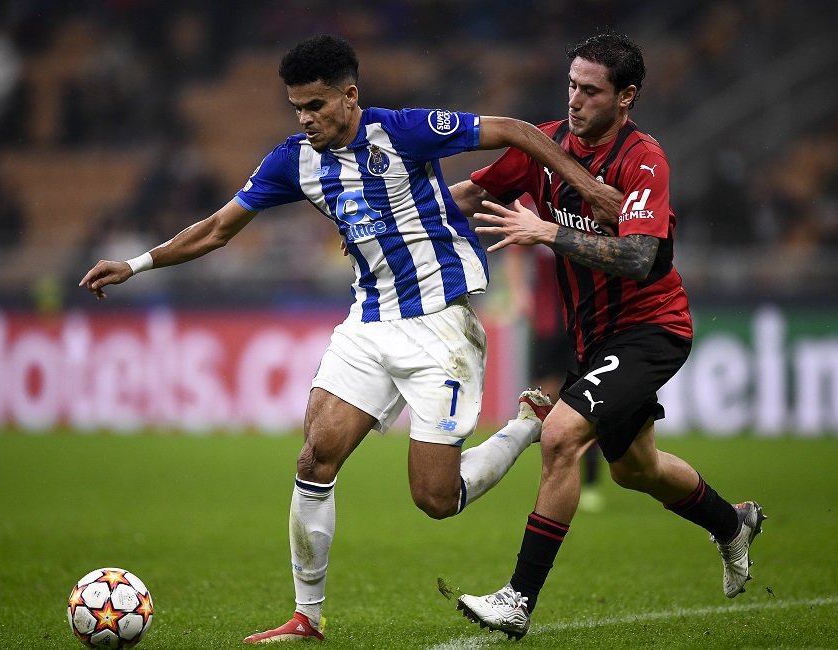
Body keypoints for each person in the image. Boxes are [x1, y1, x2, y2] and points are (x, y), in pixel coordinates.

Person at [79, 34, 621, 644]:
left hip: (440, 323)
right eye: (296, 109)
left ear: (349, 97)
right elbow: (218, 230)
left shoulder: (404, 131)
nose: (305, 119)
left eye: (315, 106)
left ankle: (524, 424)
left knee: (435, 500)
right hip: (368, 320)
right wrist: (137, 264)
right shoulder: (294, 160)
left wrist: (592, 187)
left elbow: (517, 130)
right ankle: (306, 618)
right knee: (315, 456)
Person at [447, 31, 766, 640]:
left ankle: (518, 598)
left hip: (652, 328)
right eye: (571, 85)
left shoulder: (645, 159)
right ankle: (733, 523)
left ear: (626, 98)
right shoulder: (546, 145)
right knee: (635, 470)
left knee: (561, 436)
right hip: (595, 338)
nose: (574, 100)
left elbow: (642, 257)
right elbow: (469, 193)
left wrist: (549, 234)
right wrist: (395, 215)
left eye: (590, 91)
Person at [503, 231, 605, 513]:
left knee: (586, 403)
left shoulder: (581, 203)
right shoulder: (532, 198)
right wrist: (518, 291)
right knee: (543, 406)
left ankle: (592, 481)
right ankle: (554, 481)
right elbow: (515, 250)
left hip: (583, 324)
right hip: (546, 324)